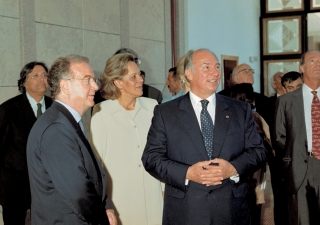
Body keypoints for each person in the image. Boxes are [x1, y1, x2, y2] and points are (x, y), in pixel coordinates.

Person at [142, 48, 267, 225]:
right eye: (206, 67)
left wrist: (232, 168)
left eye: (217, 67)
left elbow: (258, 151)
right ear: (189, 73)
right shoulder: (166, 112)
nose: (215, 73)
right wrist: (188, 173)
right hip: (186, 210)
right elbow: (151, 158)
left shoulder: (239, 110)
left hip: (231, 210)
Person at [27, 55, 116, 225]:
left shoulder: (65, 120)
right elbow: (78, 192)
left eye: (94, 80)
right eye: (87, 80)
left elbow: (90, 176)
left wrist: (106, 206)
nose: (95, 86)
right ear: (65, 86)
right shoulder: (56, 129)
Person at [90, 53, 163, 224]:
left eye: (140, 74)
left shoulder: (153, 106)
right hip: (120, 199)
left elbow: (162, 151)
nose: (140, 80)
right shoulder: (101, 112)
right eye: (133, 76)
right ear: (118, 82)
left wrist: (164, 188)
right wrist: (104, 203)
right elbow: (97, 164)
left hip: (153, 194)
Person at [0, 61, 52, 225]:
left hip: (47, 184)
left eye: (44, 75)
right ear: (23, 82)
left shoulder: (55, 107)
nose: (41, 79)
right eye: (35, 76)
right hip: (15, 187)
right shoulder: (8, 109)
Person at [272, 50, 320, 225]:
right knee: (301, 219)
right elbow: (279, 136)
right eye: (312, 60)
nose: (318, 64)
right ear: (302, 67)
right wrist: (292, 160)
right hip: (299, 169)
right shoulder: (286, 101)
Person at [230, 83, 272, 225]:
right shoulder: (252, 116)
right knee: (252, 208)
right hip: (251, 171)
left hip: (238, 170)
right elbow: (266, 141)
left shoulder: (229, 116)